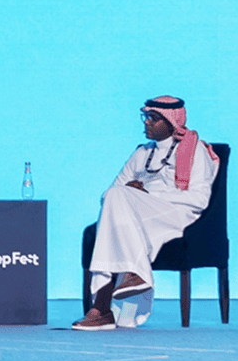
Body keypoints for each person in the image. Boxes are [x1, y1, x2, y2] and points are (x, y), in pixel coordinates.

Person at [73, 96, 219, 331]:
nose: (146, 122)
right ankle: (133, 278)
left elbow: (199, 200)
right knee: (115, 201)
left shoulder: (195, 151)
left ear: (171, 122)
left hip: (176, 215)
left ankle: (101, 307)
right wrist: (133, 195)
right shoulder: (141, 153)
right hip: (137, 215)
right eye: (146, 117)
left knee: (115, 214)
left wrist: (146, 194)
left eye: (153, 118)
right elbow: (109, 194)